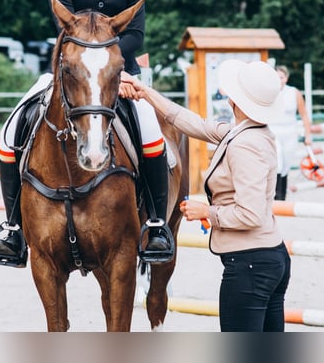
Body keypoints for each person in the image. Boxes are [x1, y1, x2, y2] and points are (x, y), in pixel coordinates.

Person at [0, 0, 174, 267]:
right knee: (10, 133)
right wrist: (92, 60)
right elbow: (66, 30)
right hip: (70, 68)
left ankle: (154, 223)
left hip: (120, 68)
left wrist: (111, 64)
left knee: (151, 130)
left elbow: (136, 31)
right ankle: (12, 227)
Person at [121, 59, 291, 332]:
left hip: (249, 264)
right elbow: (193, 123)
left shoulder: (244, 145)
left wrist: (206, 212)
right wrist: (145, 92)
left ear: (236, 101)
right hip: (267, 258)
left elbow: (250, 213)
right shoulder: (248, 132)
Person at [269, 65, 312, 200]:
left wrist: (308, 134)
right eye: (276, 77)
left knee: (286, 164)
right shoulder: (269, 92)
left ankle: (282, 195)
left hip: (290, 131)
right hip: (273, 130)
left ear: (286, 78)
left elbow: (304, 114)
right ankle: (276, 195)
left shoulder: (294, 92)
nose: (279, 80)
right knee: (278, 161)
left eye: (281, 77)